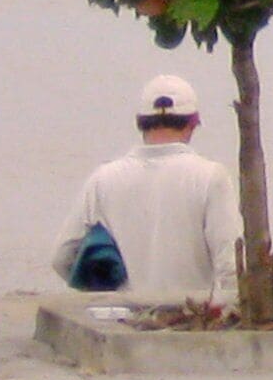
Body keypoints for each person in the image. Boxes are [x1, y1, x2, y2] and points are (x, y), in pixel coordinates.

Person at [48, 74, 241, 304]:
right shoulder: (211, 177)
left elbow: (62, 258)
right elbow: (231, 266)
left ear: (140, 122)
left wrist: (103, 292)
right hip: (190, 321)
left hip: (126, 321)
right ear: (193, 123)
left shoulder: (103, 179)